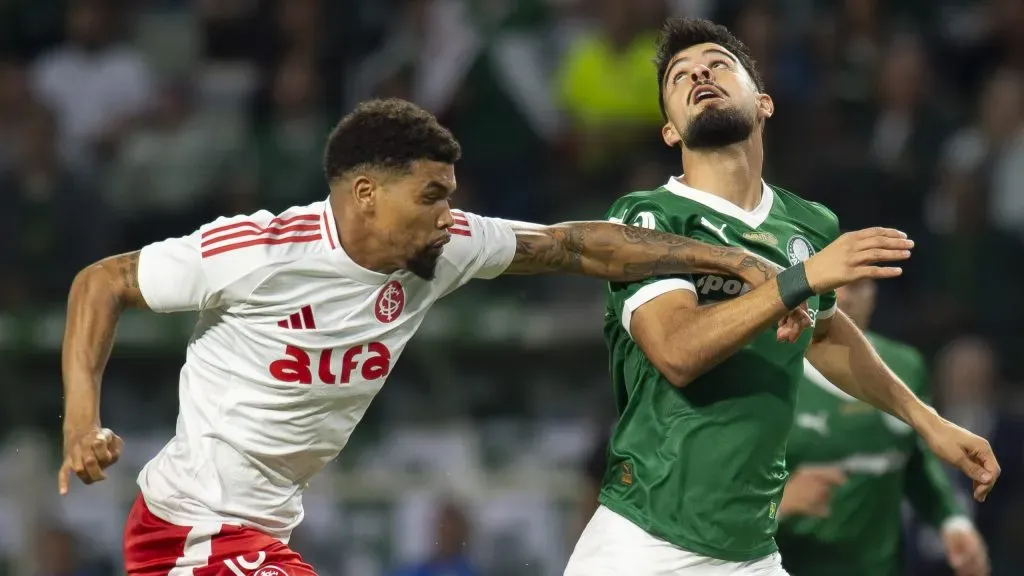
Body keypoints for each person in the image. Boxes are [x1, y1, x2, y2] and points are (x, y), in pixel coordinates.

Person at [58, 97, 823, 575]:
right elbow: (103, 281)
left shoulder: (444, 247)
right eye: (430, 197)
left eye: (450, 197)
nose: (447, 215)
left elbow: (577, 245)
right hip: (193, 531)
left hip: (258, 529)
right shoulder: (261, 252)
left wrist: (729, 257)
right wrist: (79, 421)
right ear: (366, 195)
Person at [564, 17, 1000, 576]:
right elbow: (676, 351)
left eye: (718, 64)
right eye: (679, 76)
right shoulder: (649, 217)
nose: (700, 73)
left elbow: (826, 332)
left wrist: (928, 421)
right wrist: (799, 280)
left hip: (752, 552)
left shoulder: (808, 224)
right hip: (646, 543)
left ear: (764, 102)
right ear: (670, 131)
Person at [776, 278, 990, 576]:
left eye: (860, 284)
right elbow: (717, 484)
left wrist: (952, 521)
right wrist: (778, 504)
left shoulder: (906, 367)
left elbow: (914, 458)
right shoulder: (770, 370)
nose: (845, 296)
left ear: (874, 293)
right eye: (835, 282)